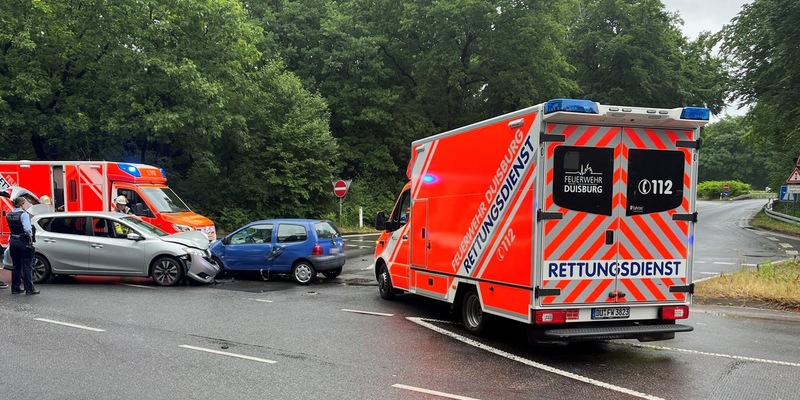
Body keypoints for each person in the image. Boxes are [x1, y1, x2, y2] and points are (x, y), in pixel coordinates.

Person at [6, 197, 39, 295]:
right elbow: (28, 229)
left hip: (13, 241)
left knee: (16, 266)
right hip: (22, 242)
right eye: (25, 203)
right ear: (22, 204)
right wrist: (30, 237)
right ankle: (29, 289)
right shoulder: (24, 215)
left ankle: (15, 288)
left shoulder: (9, 214)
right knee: (27, 266)